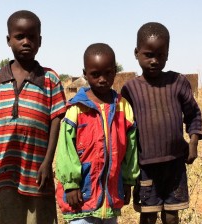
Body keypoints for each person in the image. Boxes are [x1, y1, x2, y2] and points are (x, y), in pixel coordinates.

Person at [0, 10, 66, 224]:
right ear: (9, 40)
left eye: (32, 37)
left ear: (40, 41)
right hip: (2, 164)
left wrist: (47, 162)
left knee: (37, 215)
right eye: (19, 37)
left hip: (36, 167)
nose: (26, 42)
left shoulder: (50, 79)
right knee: (0, 212)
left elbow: (56, 121)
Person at [121, 22, 202, 224]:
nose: (154, 61)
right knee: (148, 214)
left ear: (167, 54)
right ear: (136, 53)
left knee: (172, 213)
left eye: (160, 55)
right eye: (148, 54)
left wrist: (193, 142)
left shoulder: (178, 82)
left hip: (175, 161)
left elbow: (193, 113)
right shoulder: (130, 89)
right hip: (145, 165)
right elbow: (124, 129)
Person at [55, 43, 139, 224]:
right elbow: (66, 150)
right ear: (85, 74)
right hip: (80, 197)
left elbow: (130, 148)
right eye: (95, 74)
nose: (102, 79)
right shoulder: (76, 109)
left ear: (115, 71)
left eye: (108, 73)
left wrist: (128, 180)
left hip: (111, 195)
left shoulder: (122, 106)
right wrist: (70, 185)